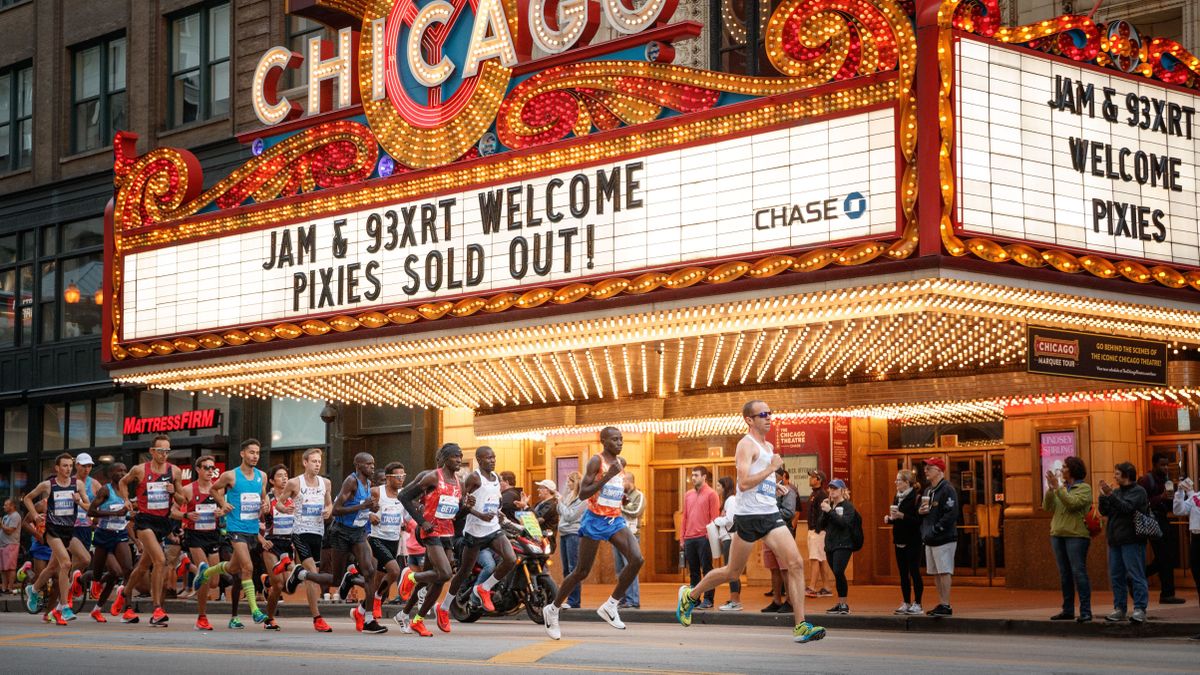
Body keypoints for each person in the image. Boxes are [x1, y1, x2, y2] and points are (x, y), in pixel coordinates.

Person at [677, 400, 826, 644]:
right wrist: (771, 470)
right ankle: (690, 596)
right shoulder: (745, 445)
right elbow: (744, 483)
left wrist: (772, 486)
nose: (769, 418)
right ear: (749, 419)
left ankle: (800, 626)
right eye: (763, 414)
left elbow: (757, 482)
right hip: (748, 517)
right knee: (732, 571)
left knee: (796, 563)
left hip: (770, 515)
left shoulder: (768, 446)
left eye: (771, 413)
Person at [543, 427, 644, 640]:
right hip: (595, 520)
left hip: (615, 519)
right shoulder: (596, 462)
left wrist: (620, 497)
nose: (619, 442)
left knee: (636, 559)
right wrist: (607, 476)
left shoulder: (621, 463)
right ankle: (552, 609)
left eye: (621, 439)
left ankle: (611, 605)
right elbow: (584, 493)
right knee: (581, 571)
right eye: (615, 439)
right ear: (604, 441)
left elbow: (612, 490)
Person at [195, 438, 270, 626]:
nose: (255, 456)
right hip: (236, 528)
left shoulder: (262, 475)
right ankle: (255, 610)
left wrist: (266, 503)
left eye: (257, 453)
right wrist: (223, 503)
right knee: (248, 567)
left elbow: (263, 494)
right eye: (251, 452)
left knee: (233, 568)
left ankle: (206, 572)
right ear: (242, 453)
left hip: (252, 529)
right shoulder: (231, 476)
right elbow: (214, 489)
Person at [397, 443, 467, 637]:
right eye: (455, 456)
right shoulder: (432, 477)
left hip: (447, 532)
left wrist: (466, 508)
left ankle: (412, 618)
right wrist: (421, 521)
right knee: (444, 574)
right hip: (430, 531)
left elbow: (455, 514)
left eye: (460, 456)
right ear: (445, 458)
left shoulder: (458, 482)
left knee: (434, 579)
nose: (459, 460)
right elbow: (404, 496)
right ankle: (409, 576)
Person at [116, 435, 185, 626]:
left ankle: (126, 592)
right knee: (160, 560)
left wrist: (174, 492)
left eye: (167, 451)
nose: (164, 455)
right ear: (152, 452)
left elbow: (182, 501)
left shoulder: (175, 471)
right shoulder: (139, 470)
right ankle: (156, 609)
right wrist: (126, 500)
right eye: (161, 451)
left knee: (144, 566)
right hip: (144, 521)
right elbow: (123, 482)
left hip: (163, 522)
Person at [442, 447, 517, 622]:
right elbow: (461, 505)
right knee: (464, 572)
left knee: (511, 559)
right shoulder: (474, 478)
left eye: (494, 457)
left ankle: (484, 588)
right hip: (474, 532)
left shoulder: (496, 478)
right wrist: (479, 514)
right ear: (479, 459)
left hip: (492, 529)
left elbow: (493, 500)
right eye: (488, 458)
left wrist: (498, 512)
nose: (492, 460)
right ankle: (444, 607)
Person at [22, 453, 91, 624]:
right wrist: (35, 515)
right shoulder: (48, 485)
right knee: (66, 563)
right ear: (57, 468)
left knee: (82, 559)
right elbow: (27, 498)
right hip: (53, 531)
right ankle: (64, 606)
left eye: (70, 466)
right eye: (65, 466)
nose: (68, 469)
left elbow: (89, 507)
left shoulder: (78, 484)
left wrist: (79, 502)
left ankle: (34, 588)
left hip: (69, 530)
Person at [328, 452, 383, 634]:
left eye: (373, 464)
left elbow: (364, 508)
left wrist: (371, 508)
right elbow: (335, 511)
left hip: (358, 533)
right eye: (368, 464)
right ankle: (301, 575)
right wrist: (363, 506)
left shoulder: (369, 483)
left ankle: (368, 619)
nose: (372, 467)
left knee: (370, 571)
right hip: (341, 532)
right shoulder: (351, 482)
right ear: (358, 466)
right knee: (335, 579)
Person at [281, 447, 335, 632]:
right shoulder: (295, 483)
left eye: (319, 462)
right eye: (313, 461)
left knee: (312, 573)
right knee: (313, 573)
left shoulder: (326, 483)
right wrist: (284, 509)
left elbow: (329, 504)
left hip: (317, 533)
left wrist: (329, 509)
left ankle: (293, 571)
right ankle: (317, 617)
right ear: (305, 462)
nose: (317, 465)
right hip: (300, 532)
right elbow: (280, 502)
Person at [174, 455, 223, 630]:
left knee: (215, 582)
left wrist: (220, 512)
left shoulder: (217, 490)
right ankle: (201, 617)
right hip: (194, 535)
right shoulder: (188, 490)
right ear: (198, 469)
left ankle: (187, 565)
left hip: (212, 535)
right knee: (206, 577)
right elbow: (172, 512)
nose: (210, 471)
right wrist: (186, 515)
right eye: (206, 467)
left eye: (212, 468)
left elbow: (225, 508)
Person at [1042, 456, 1093, 622]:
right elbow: (1047, 507)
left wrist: (1058, 489)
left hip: (1076, 535)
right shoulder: (1060, 488)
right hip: (1058, 534)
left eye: (1064, 467)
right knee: (1064, 574)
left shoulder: (1084, 488)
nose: (1061, 470)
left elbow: (1072, 504)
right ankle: (1068, 609)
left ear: (1073, 470)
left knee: (1079, 572)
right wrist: (1051, 490)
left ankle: (1085, 611)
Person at [1099, 461, 1150, 623]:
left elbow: (1126, 508)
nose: (1114, 476)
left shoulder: (1138, 492)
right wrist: (1103, 496)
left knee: (1136, 575)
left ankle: (1140, 608)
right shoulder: (1116, 492)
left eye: (1117, 474)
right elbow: (1104, 511)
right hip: (1115, 540)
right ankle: (1120, 608)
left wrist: (1110, 495)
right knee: (1116, 576)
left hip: (1132, 540)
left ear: (1127, 475)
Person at [83, 462, 133, 623]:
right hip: (103, 536)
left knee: (127, 571)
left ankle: (128, 609)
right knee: (99, 575)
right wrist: (114, 512)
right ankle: (79, 581)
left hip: (120, 535)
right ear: (111, 473)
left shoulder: (125, 491)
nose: (122, 473)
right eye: (119, 470)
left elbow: (125, 514)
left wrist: (131, 515)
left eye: (125, 470)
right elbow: (91, 512)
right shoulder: (106, 490)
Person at [365, 462, 407, 629]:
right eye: (397, 477)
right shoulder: (377, 492)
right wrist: (369, 514)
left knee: (379, 579)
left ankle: (361, 611)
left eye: (403, 476)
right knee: (395, 571)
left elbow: (407, 514)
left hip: (394, 540)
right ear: (388, 478)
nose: (401, 479)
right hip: (377, 539)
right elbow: (356, 505)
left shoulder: (403, 495)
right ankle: (376, 598)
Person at [1139, 452, 1184, 604]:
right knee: (1165, 557)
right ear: (1154, 464)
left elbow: (1170, 504)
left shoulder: (1167, 480)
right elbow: (1140, 502)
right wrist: (1161, 498)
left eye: (1166, 465)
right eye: (1162, 465)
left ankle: (1138, 577)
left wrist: (1176, 497)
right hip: (1152, 521)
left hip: (1164, 519)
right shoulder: (1146, 480)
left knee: (1168, 556)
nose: (1165, 467)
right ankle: (1167, 594)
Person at [919, 456, 957, 617]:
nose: (926, 471)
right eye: (926, 468)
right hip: (930, 538)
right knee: (935, 572)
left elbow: (951, 514)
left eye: (930, 468)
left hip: (944, 538)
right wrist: (921, 513)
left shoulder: (947, 489)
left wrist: (936, 528)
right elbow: (924, 511)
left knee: (944, 570)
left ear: (939, 470)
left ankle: (946, 604)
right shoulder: (928, 490)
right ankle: (941, 602)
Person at [260, 464, 295, 631]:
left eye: (286, 475)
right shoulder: (267, 498)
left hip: (288, 544)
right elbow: (254, 521)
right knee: (278, 585)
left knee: (289, 587)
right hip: (271, 543)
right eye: (280, 475)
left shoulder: (293, 497)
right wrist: (261, 539)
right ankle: (270, 618)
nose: (285, 478)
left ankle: (266, 580)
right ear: (272, 480)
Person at [681, 466, 720, 610]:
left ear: (704, 477)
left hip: (704, 538)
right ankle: (694, 599)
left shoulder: (712, 494)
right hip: (689, 538)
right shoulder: (688, 495)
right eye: (692, 475)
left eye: (696, 475)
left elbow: (714, 518)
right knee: (694, 572)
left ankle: (708, 599)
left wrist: (710, 537)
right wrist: (682, 538)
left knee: (708, 570)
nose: (693, 478)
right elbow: (684, 517)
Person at [884, 469, 923, 615]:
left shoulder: (916, 497)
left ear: (907, 482)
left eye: (899, 480)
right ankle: (906, 602)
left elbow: (918, 521)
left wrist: (902, 516)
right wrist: (890, 520)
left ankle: (918, 603)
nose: (896, 483)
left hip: (913, 540)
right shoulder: (897, 497)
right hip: (899, 539)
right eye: (896, 480)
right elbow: (898, 519)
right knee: (903, 573)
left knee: (914, 572)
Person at [817, 478, 858, 614]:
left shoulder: (848, 506)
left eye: (835, 488)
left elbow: (844, 524)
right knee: (836, 573)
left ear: (842, 490)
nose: (832, 491)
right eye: (830, 488)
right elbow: (820, 526)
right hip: (830, 544)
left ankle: (844, 605)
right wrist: (824, 510)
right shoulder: (829, 506)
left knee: (839, 571)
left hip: (844, 544)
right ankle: (840, 603)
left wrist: (830, 511)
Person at [763, 467, 798, 612]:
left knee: (785, 569)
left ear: (781, 476)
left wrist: (769, 512)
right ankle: (776, 600)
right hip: (767, 532)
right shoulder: (767, 490)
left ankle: (790, 601)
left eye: (774, 476)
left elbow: (789, 512)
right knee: (774, 569)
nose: (771, 478)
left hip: (782, 532)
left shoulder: (788, 490)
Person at [612, 470, 645, 609]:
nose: (620, 484)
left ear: (629, 482)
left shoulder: (639, 495)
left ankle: (633, 600)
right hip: (617, 535)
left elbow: (636, 512)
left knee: (630, 567)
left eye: (622, 481)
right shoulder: (619, 495)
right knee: (620, 569)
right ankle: (623, 599)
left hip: (631, 535)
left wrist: (620, 508)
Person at [1171, 476, 1200, 635]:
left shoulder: (1196, 497)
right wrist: (1180, 491)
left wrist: (1190, 493)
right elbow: (1179, 510)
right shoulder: (1197, 496)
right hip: (1196, 539)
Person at [555, 471, 585, 609]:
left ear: (575, 482)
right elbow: (560, 510)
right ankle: (569, 599)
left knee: (574, 568)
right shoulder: (568, 496)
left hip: (573, 534)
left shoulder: (582, 500)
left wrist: (560, 502)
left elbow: (569, 516)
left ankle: (574, 600)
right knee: (566, 569)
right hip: (564, 533)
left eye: (569, 482)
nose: (567, 484)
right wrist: (560, 502)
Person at [711, 476, 741, 611]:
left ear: (725, 487)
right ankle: (734, 599)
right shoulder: (727, 501)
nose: (716, 488)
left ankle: (735, 601)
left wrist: (716, 521)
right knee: (730, 570)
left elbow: (730, 520)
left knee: (731, 571)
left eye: (718, 486)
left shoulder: (731, 500)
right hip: (726, 538)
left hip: (730, 538)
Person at [804, 470, 833, 598]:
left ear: (819, 480)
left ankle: (812, 587)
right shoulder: (814, 493)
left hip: (818, 531)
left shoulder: (822, 494)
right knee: (821, 560)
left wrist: (817, 529)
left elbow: (824, 514)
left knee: (815, 559)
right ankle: (827, 587)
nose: (810, 479)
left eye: (813, 477)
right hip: (814, 531)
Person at [533, 479, 560, 553]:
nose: (538, 489)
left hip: (546, 540)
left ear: (547, 490)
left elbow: (537, 517)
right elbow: (531, 514)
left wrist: (526, 506)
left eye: (541, 487)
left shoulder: (551, 504)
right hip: (536, 538)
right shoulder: (540, 502)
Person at [1, 498, 19, 594]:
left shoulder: (15, 516)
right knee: (3, 568)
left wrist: (1, 526)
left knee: (10, 568)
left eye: (6, 505)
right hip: (3, 544)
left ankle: (10, 588)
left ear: (12, 506)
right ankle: (4, 588)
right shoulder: (5, 516)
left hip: (11, 544)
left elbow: (10, 531)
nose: (4, 506)